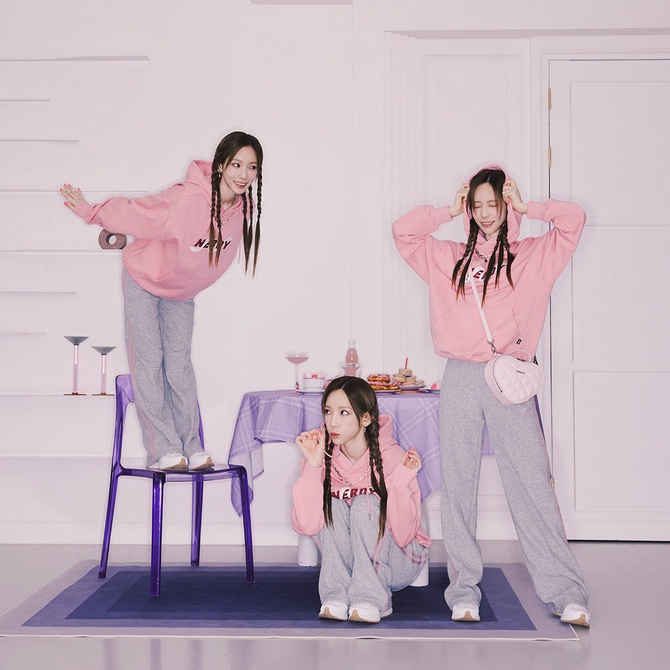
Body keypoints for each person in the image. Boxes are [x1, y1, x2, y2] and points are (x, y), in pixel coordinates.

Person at [392, 166, 591, 627]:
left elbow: (573, 219)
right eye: (477, 205)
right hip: (461, 376)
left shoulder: (534, 255)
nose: (485, 214)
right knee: (459, 485)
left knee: (532, 485)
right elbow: (404, 231)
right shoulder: (448, 258)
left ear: (506, 206)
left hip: (510, 378)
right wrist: (447, 210)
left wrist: (529, 207)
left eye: (493, 204)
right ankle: (464, 591)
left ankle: (565, 592)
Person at [59, 131, 263, 471]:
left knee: (179, 367)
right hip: (145, 280)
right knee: (149, 361)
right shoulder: (189, 199)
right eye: (236, 165)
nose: (243, 174)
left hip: (180, 292)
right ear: (220, 165)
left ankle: (192, 445)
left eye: (252, 167)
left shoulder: (241, 211)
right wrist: (91, 212)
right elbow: (140, 213)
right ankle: (163, 449)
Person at [292, 376, 431, 624]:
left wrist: (400, 482)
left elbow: (404, 534)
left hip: (397, 559)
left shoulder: (392, 456)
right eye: (328, 412)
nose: (333, 422)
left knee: (364, 503)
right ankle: (336, 594)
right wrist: (312, 465)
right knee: (332, 503)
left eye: (344, 413)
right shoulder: (322, 452)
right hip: (351, 562)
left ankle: (371, 598)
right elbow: (308, 525)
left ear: (365, 419)